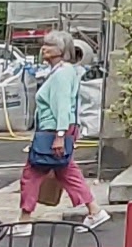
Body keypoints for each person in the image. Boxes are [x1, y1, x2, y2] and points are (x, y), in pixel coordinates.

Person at [23, 33, 108, 229]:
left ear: (62, 50)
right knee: (66, 171)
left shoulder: (61, 74)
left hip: (53, 129)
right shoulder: (62, 72)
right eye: (44, 44)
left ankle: (24, 220)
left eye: (50, 45)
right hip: (58, 129)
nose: (44, 48)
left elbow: (62, 106)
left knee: (33, 173)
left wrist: (60, 135)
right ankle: (94, 210)